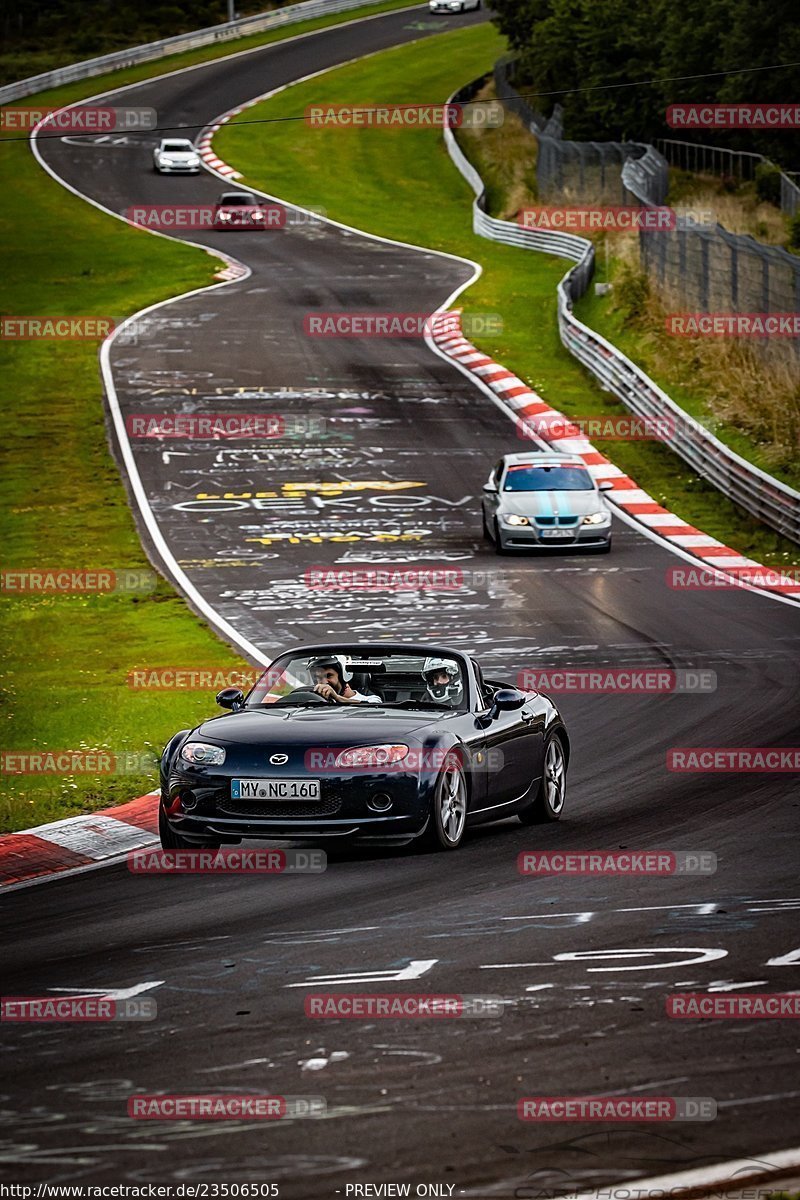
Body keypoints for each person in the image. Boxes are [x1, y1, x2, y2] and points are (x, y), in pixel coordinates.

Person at [307, 655, 381, 705]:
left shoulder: (372, 699)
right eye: (318, 677)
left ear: (343, 676)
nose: (324, 682)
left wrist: (337, 698)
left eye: (329, 676)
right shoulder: (314, 702)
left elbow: (374, 706)